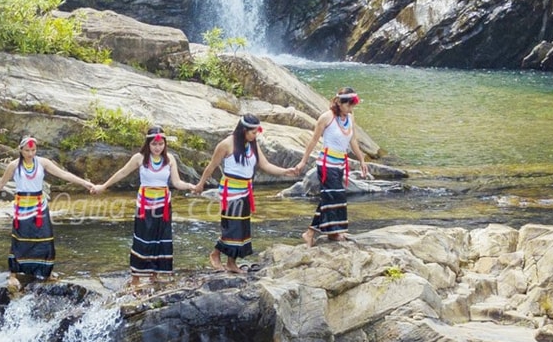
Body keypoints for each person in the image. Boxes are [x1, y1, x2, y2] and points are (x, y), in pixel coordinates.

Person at [0, 136, 97, 285]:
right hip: (22, 207)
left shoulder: (43, 162)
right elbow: (2, 182)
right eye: (27, 150)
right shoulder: (14, 165)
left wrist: (85, 184)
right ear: (21, 150)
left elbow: (63, 174)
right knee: (20, 239)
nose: (30, 153)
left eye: (33, 150)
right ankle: (14, 273)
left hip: (39, 205)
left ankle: (45, 271)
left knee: (44, 238)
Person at [195, 114, 301, 271]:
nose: (255, 135)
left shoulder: (252, 144)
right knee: (232, 227)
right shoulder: (226, 144)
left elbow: (265, 164)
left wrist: (286, 171)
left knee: (242, 227)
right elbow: (211, 166)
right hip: (230, 191)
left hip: (245, 190)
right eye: (253, 132)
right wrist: (200, 185)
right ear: (243, 130)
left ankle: (231, 262)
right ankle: (215, 254)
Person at [98, 126, 192, 285]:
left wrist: (191, 186)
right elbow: (122, 173)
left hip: (163, 206)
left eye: (161, 144)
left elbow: (176, 182)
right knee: (142, 239)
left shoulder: (170, 159)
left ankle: (154, 275)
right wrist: (104, 186)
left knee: (160, 239)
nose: (157, 148)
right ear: (148, 144)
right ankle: (135, 278)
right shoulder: (139, 158)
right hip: (144, 206)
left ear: (165, 144)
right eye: (154, 144)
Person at [301, 87, 368, 246]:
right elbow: (314, 140)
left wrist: (362, 160)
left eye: (352, 106)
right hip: (326, 165)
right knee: (335, 196)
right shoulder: (326, 117)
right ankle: (321, 232)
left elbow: (353, 142)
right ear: (339, 102)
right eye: (348, 105)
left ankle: (320, 232)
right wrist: (303, 161)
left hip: (339, 164)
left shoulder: (350, 118)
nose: (350, 109)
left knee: (329, 198)